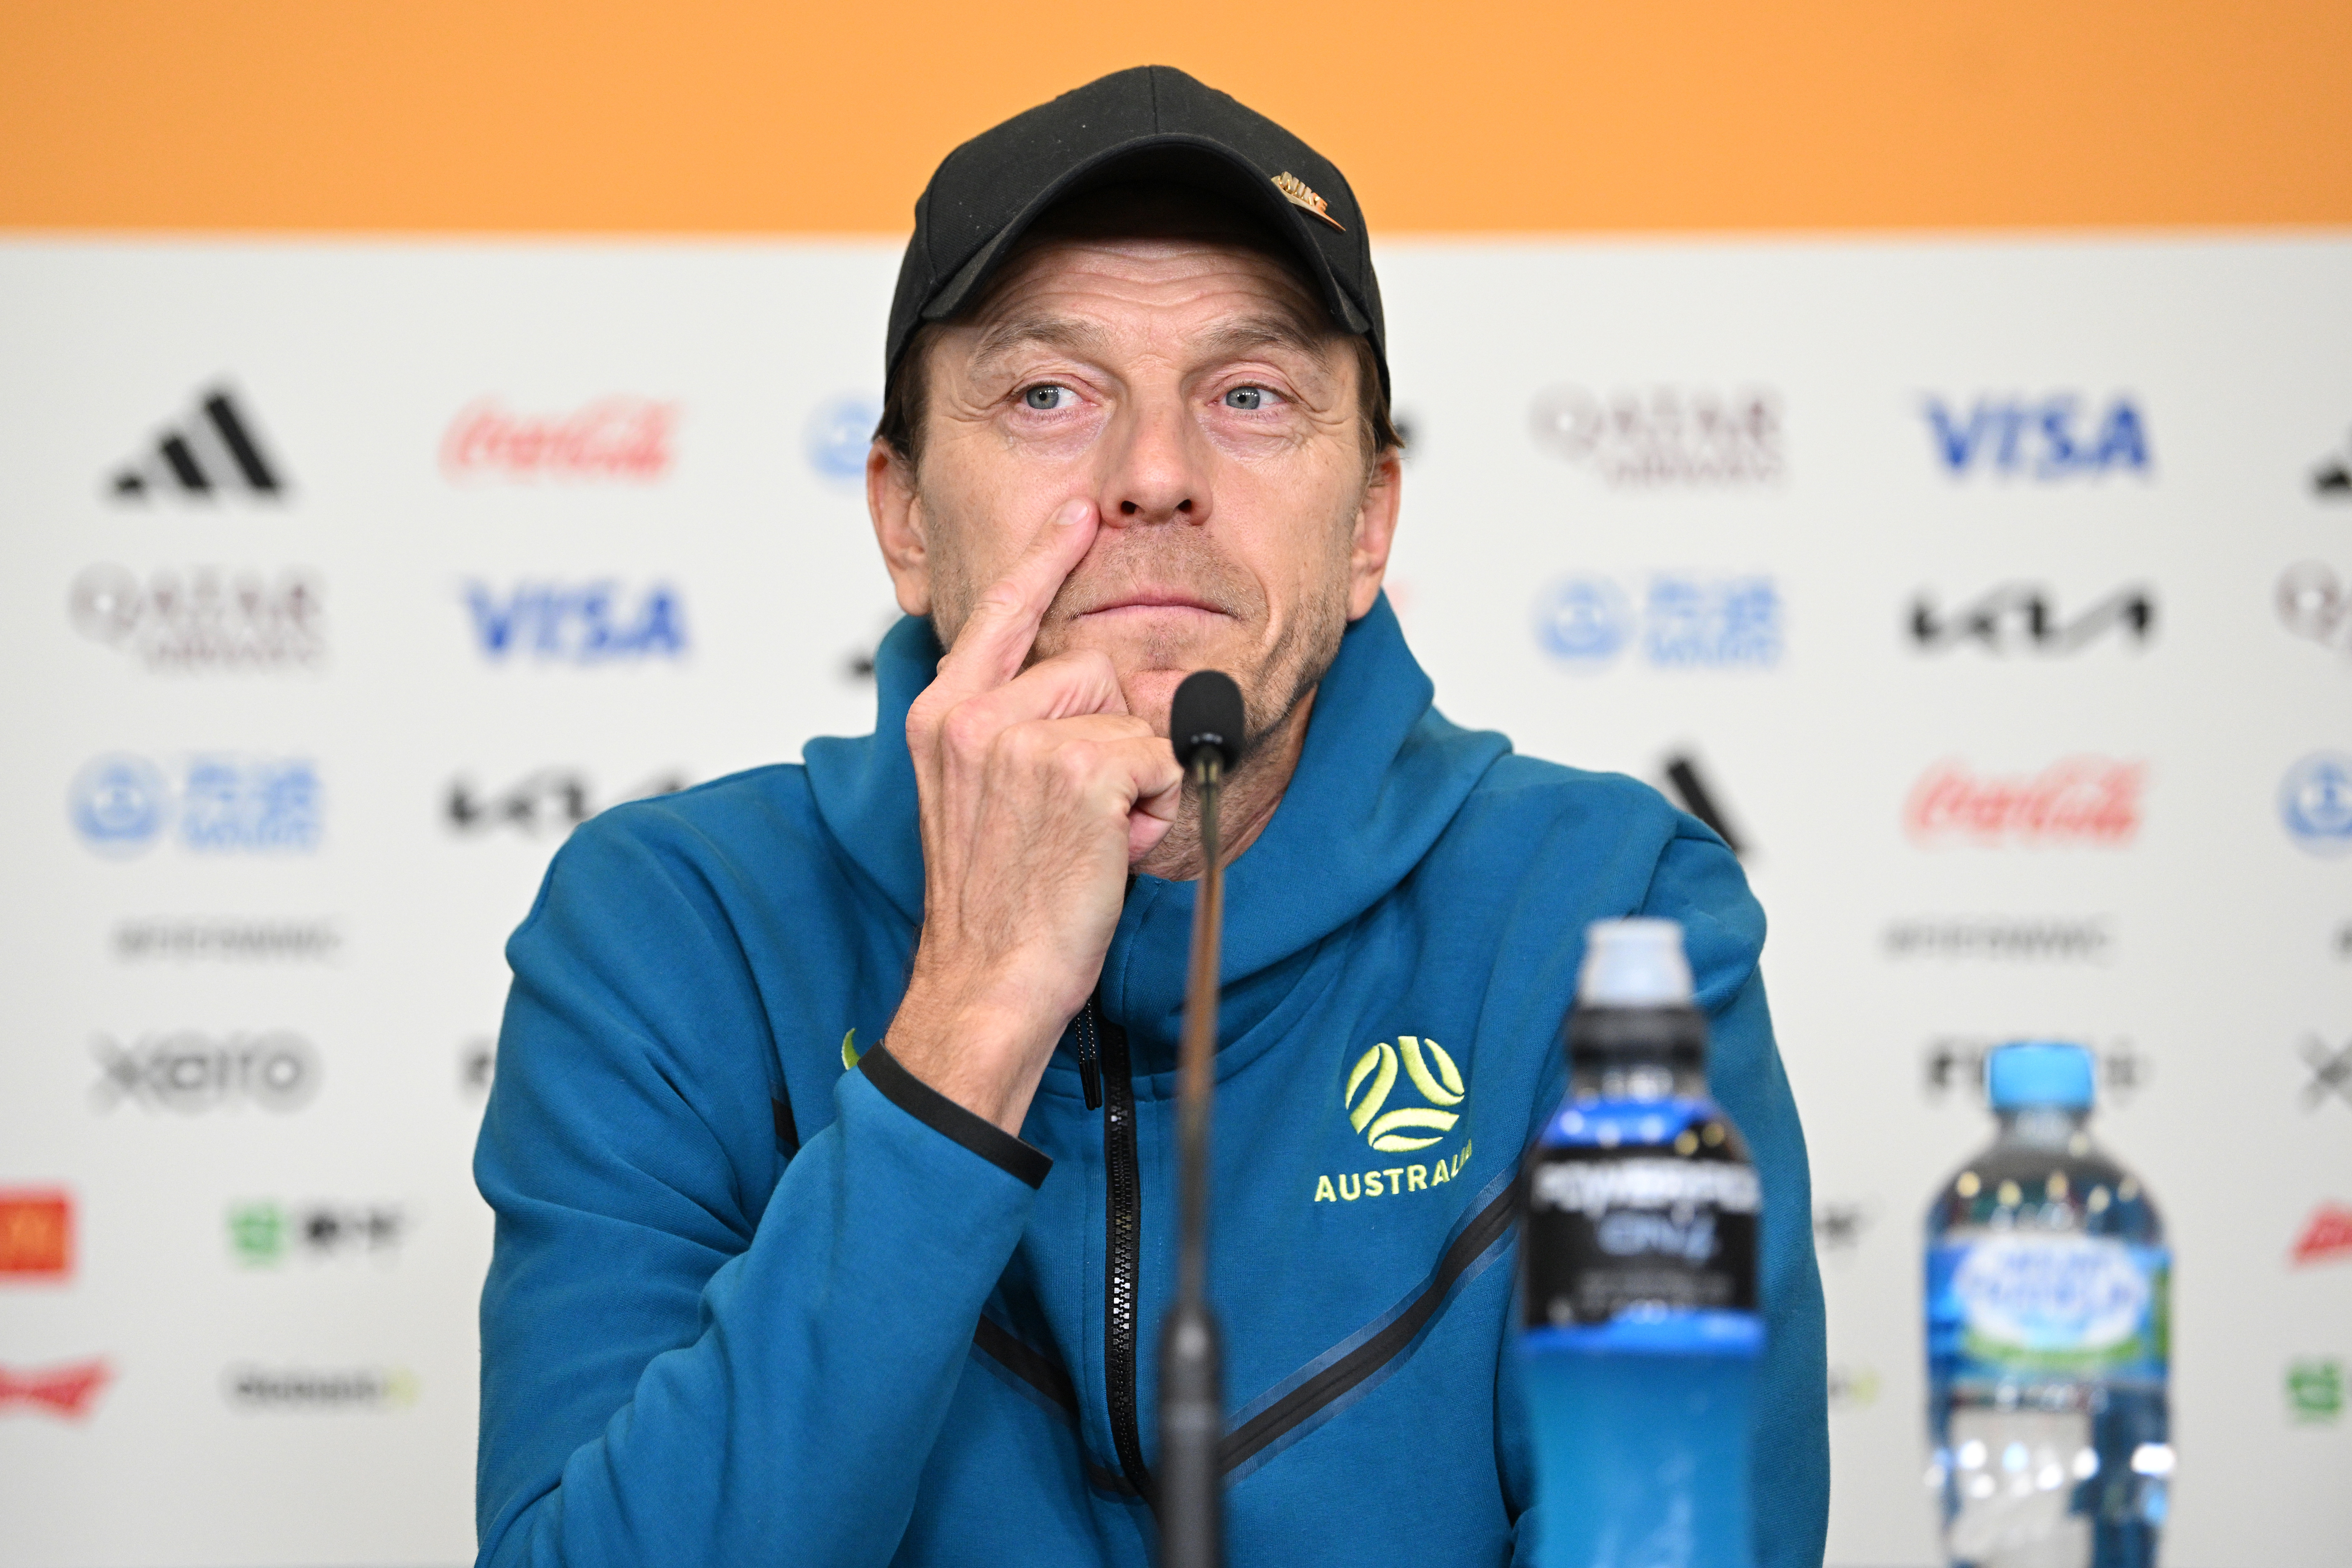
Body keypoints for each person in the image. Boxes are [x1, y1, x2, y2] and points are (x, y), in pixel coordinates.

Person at [473, 65, 1828, 1567]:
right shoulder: (670, 930)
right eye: (1051, 395)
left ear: (1370, 520)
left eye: (1249, 398)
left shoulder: (1609, 920)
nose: (1158, 477)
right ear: (905, 517)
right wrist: (972, 1018)